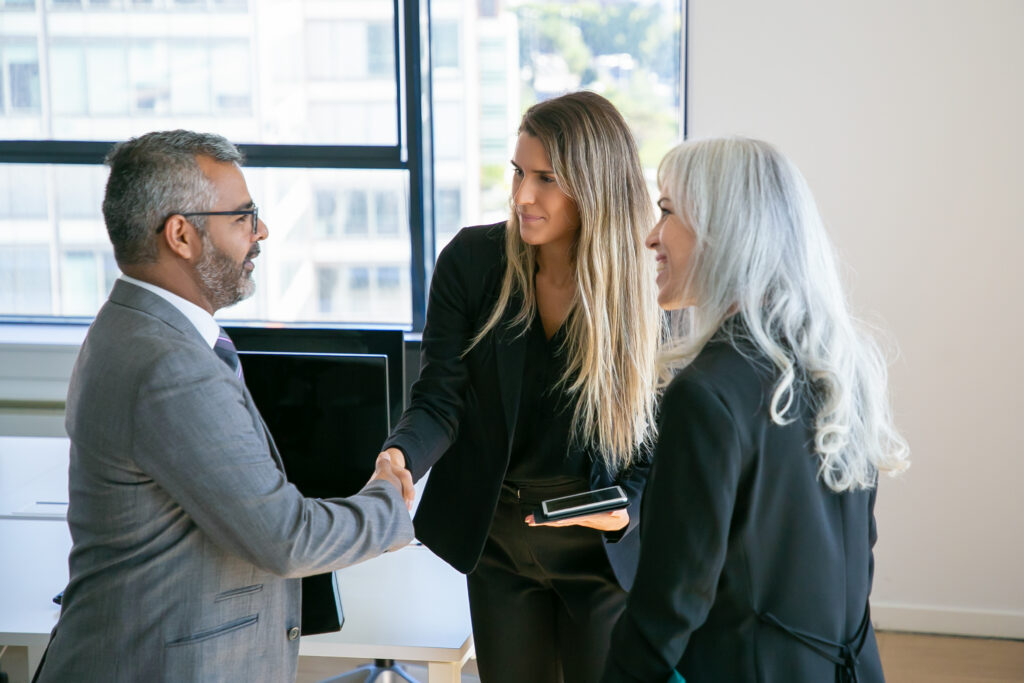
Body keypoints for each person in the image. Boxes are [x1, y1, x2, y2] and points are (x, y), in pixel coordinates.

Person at [33, 130, 415, 683]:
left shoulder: (134, 326)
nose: (261, 232)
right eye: (242, 217)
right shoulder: (169, 365)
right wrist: (391, 502)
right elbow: (286, 538)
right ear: (182, 235)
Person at [599, 137, 910, 682]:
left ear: (725, 233)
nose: (651, 237)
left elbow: (668, 605)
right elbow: (854, 567)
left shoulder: (705, 396)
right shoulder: (842, 370)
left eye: (667, 211)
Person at [379, 91, 662, 682]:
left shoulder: (646, 285)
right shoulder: (472, 263)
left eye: (546, 179)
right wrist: (401, 453)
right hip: (501, 542)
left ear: (595, 185)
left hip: (600, 546)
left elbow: (665, 432)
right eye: (517, 172)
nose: (521, 196)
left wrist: (629, 507)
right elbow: (440, 396)